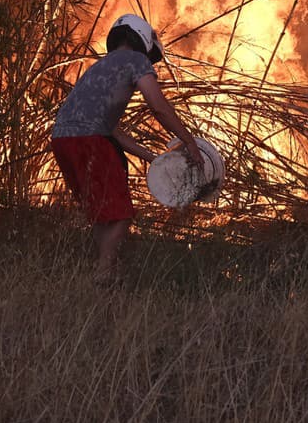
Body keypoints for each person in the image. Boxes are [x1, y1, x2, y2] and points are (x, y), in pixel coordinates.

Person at [51, 14, 204, 284]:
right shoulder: (137, 60)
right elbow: (158, 107)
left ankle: (107, 271)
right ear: (143, 40)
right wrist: (189, 141)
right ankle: (103, 273)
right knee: (122, 213)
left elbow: (111, 130)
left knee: (100, 213)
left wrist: (154, 159)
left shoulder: (99, 67)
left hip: (62, 140)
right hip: (91, 140)